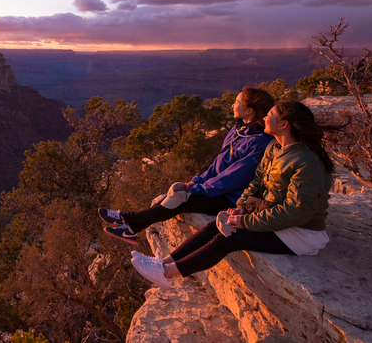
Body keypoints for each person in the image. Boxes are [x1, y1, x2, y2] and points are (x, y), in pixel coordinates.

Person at [131, 100, 336, 289]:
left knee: (230, 237)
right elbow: (257, 181)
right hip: (277, 216)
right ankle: (164, 262)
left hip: (300, 233)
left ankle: (166, 274)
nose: (264, 117)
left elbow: (298, 212)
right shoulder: (275, 147)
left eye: (270, 114)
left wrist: (246, 222)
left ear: (284, 125)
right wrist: (242, 206)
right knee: (214, 226)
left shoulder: (307, 162)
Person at [99, 87, 275, 245]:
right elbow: (217, 166)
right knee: (175, 193)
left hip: (232, 199)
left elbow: (234, 178)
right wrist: (195, 182)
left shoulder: (260, 143)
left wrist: (199, 189)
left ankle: (126, 219)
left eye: (236, 102)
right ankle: (130, 230)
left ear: (249, 110)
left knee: (183, 200)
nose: (232, 105)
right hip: (216, 190)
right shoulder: (237, 131)